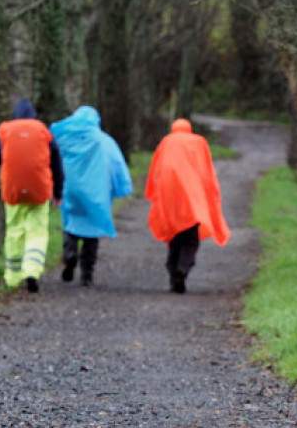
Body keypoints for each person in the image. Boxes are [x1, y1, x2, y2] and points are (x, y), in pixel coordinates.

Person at [145, 118, 231, 293]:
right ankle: (183, 268)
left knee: (174, 237)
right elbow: (206, 171)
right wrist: (210, 194)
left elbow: (156, 169)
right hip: (192, 197)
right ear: (189, 129)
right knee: (190, 238)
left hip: (170, 197)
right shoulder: (199, 142)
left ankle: (173, 271)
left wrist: (155, 193)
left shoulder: (166, 142)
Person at [50, 106, 133, 287]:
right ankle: (87, 274)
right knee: (91, 233)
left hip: (69, 189)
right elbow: (116, 164)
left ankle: (70, 254)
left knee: (71, 225)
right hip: (95, 192)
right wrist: (122, 188)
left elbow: (52, 161)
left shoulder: (63, 137)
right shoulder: (104, 141)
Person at [0, 98, 64, 293]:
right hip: (39, 190)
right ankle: (32, 270)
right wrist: (58, 192)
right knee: (37, 231)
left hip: (12, 190)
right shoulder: (43, 131)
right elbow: (56, 163)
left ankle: (12, 277)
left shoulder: (7, 130)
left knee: (14, 231)